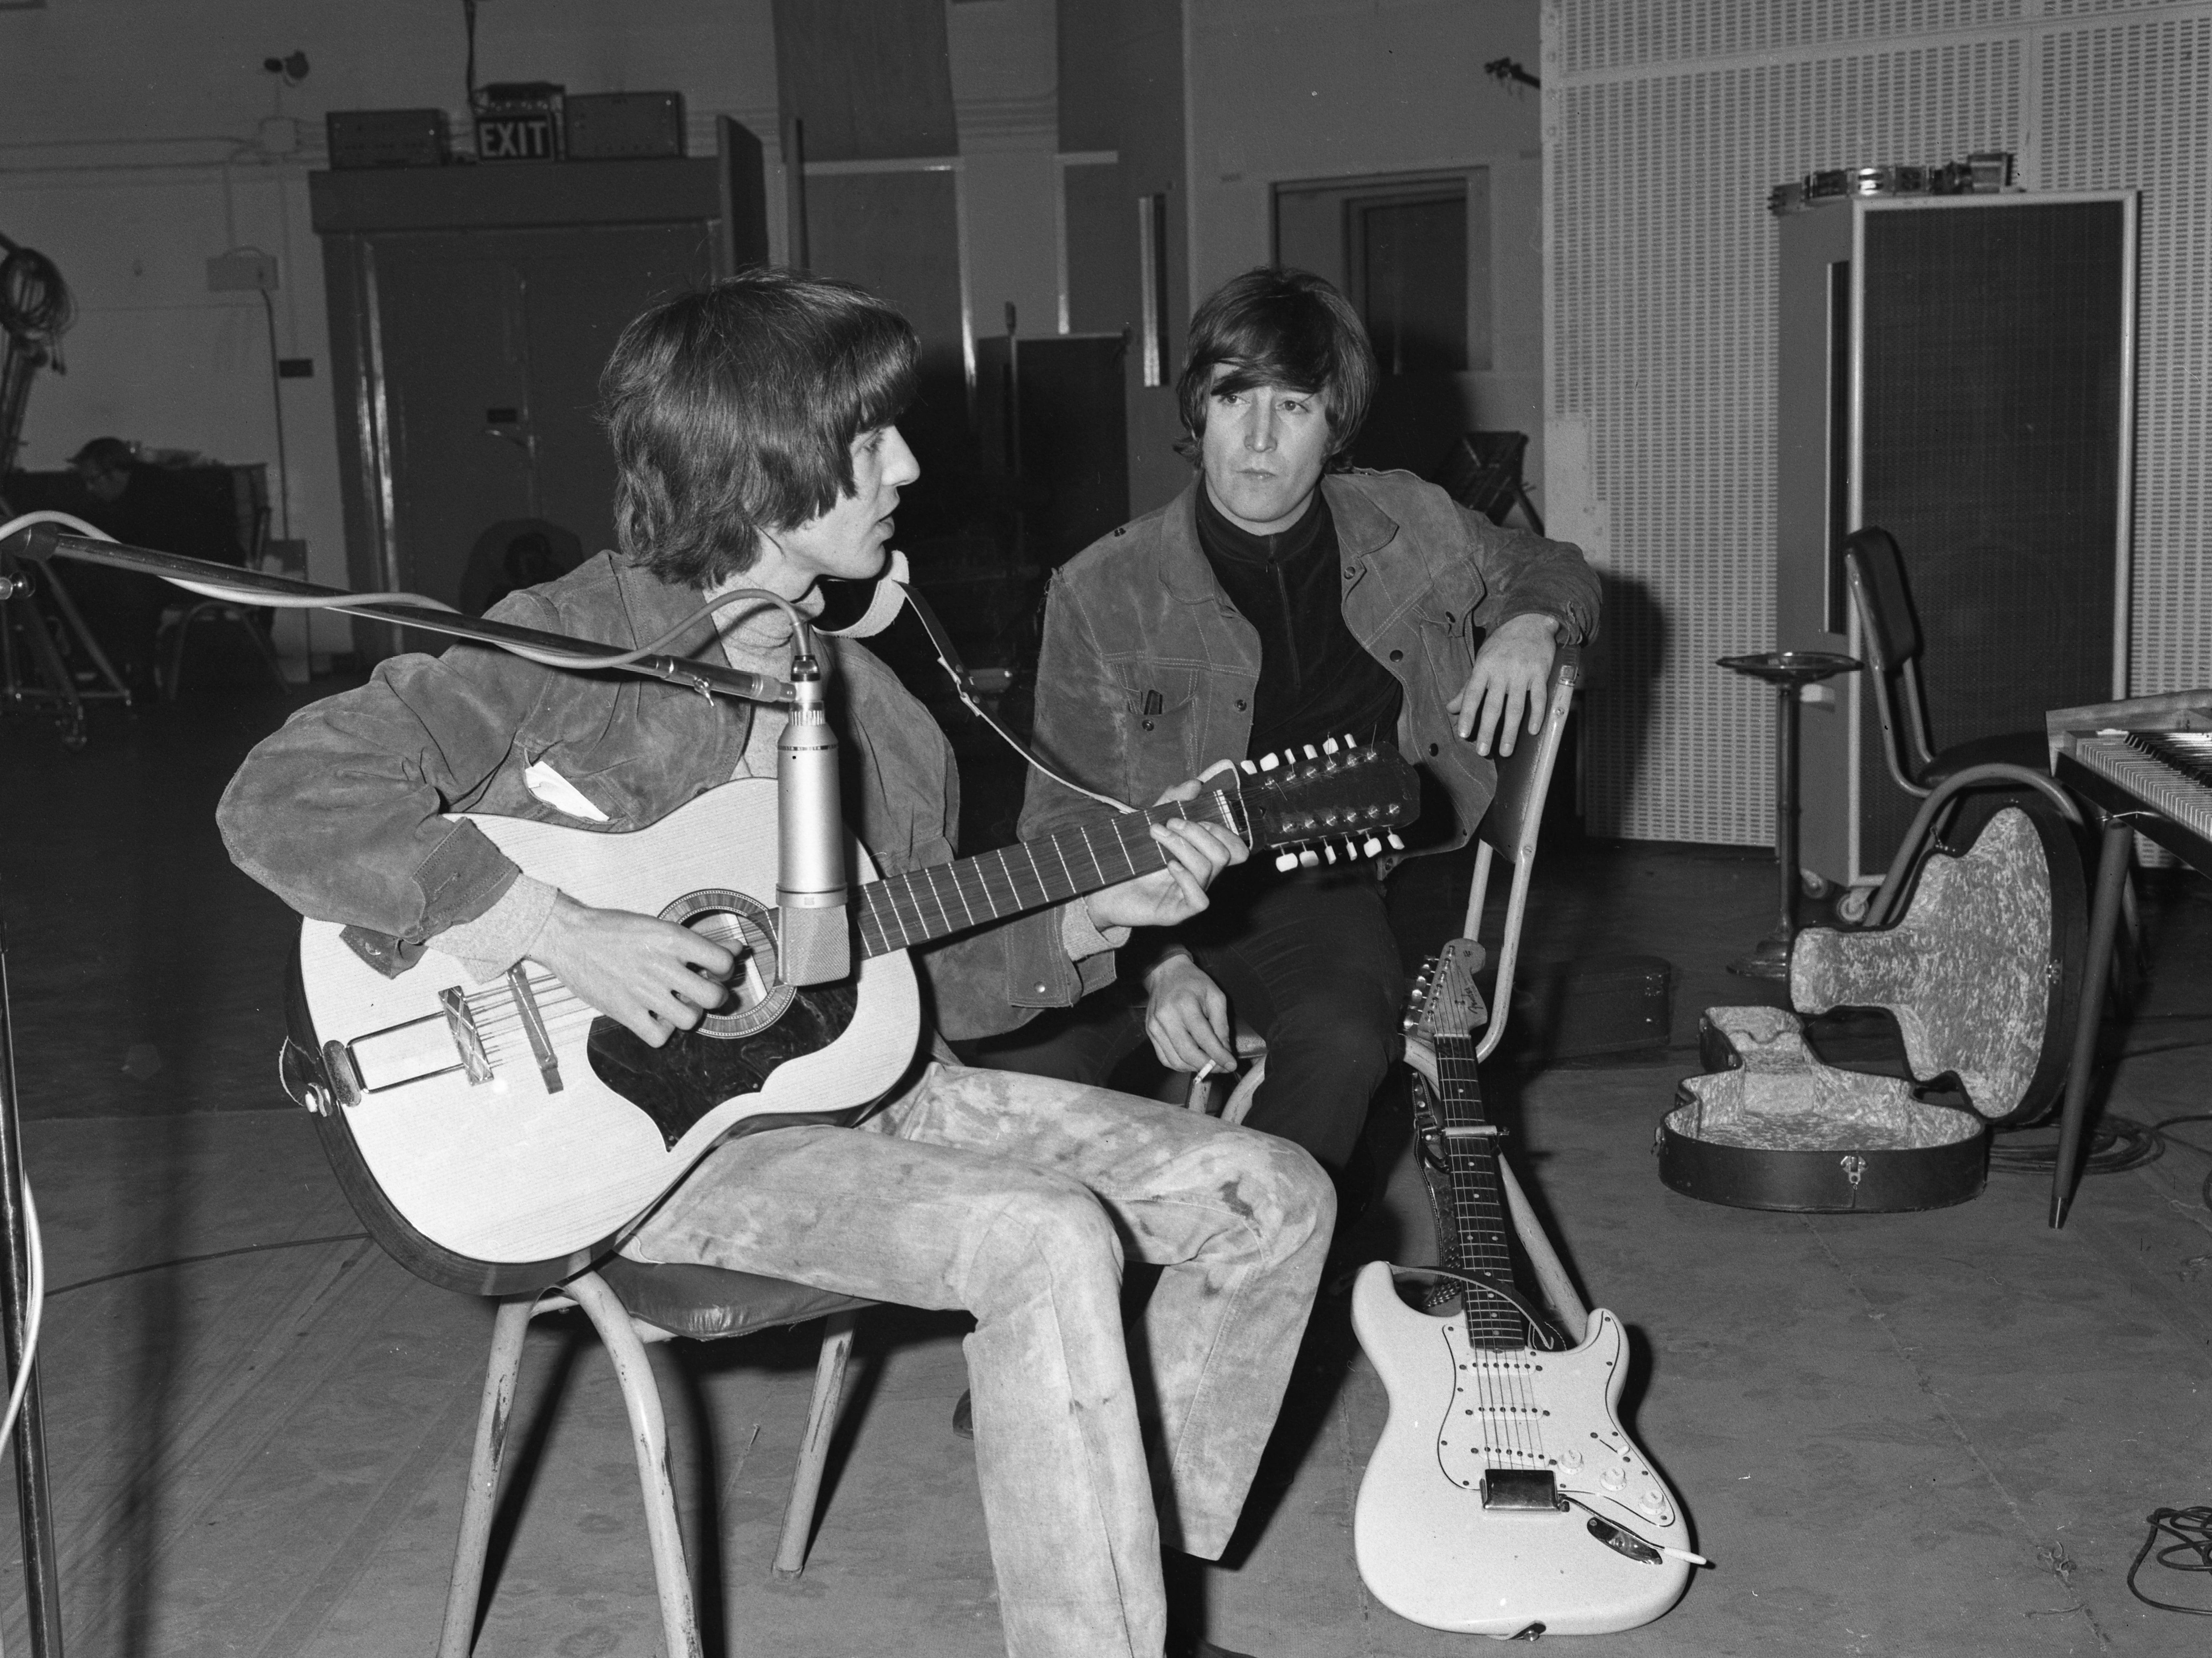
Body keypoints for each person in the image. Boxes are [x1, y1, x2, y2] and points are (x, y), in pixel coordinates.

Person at [216, 271, 1331, 1658]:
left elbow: (922, 983)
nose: (907, 469)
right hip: (658, 1153)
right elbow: (281, 799)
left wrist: (1097, 913)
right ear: (764, 464)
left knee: (1271, 1196)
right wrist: (554, 928)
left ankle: (1123, 1589)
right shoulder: (566, 643)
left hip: (872, 1100)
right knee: (1043, 1235)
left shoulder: (874, 706)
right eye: (869, 442)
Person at [978, 266, 1599, 1227]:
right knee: (1018, 1083)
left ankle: (1256, 1272)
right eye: (1235, 398)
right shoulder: (1103, 587)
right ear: (1200, 409)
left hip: (1315, 891)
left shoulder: (1409, 524)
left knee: (1344, 1040)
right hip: (1131, 901)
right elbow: (1061, 816)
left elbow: (1548, 564)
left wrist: (1530, 623)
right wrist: (1162, 964)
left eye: (1294, 406)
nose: (1259, 438)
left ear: (1334, 426)